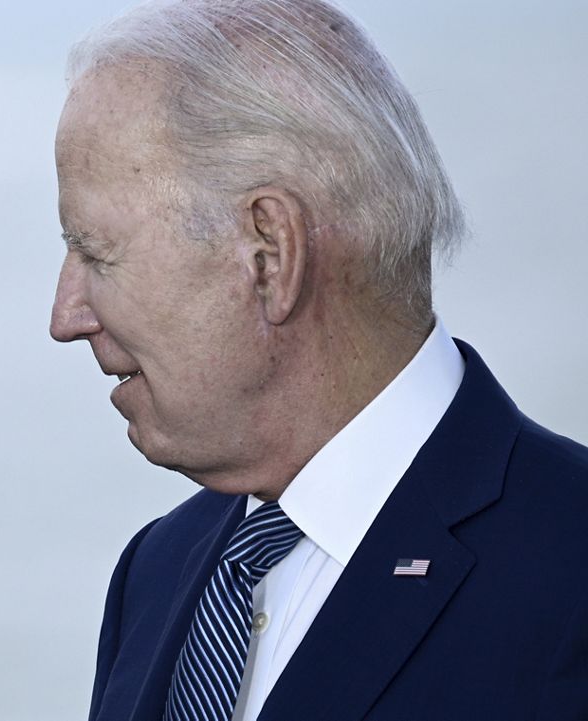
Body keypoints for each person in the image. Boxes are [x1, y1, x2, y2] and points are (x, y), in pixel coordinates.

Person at [48, 1, 588, 720]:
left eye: (96, 252)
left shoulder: (571, 572)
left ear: (270, 255)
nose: (66, 317)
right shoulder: (156, 569)